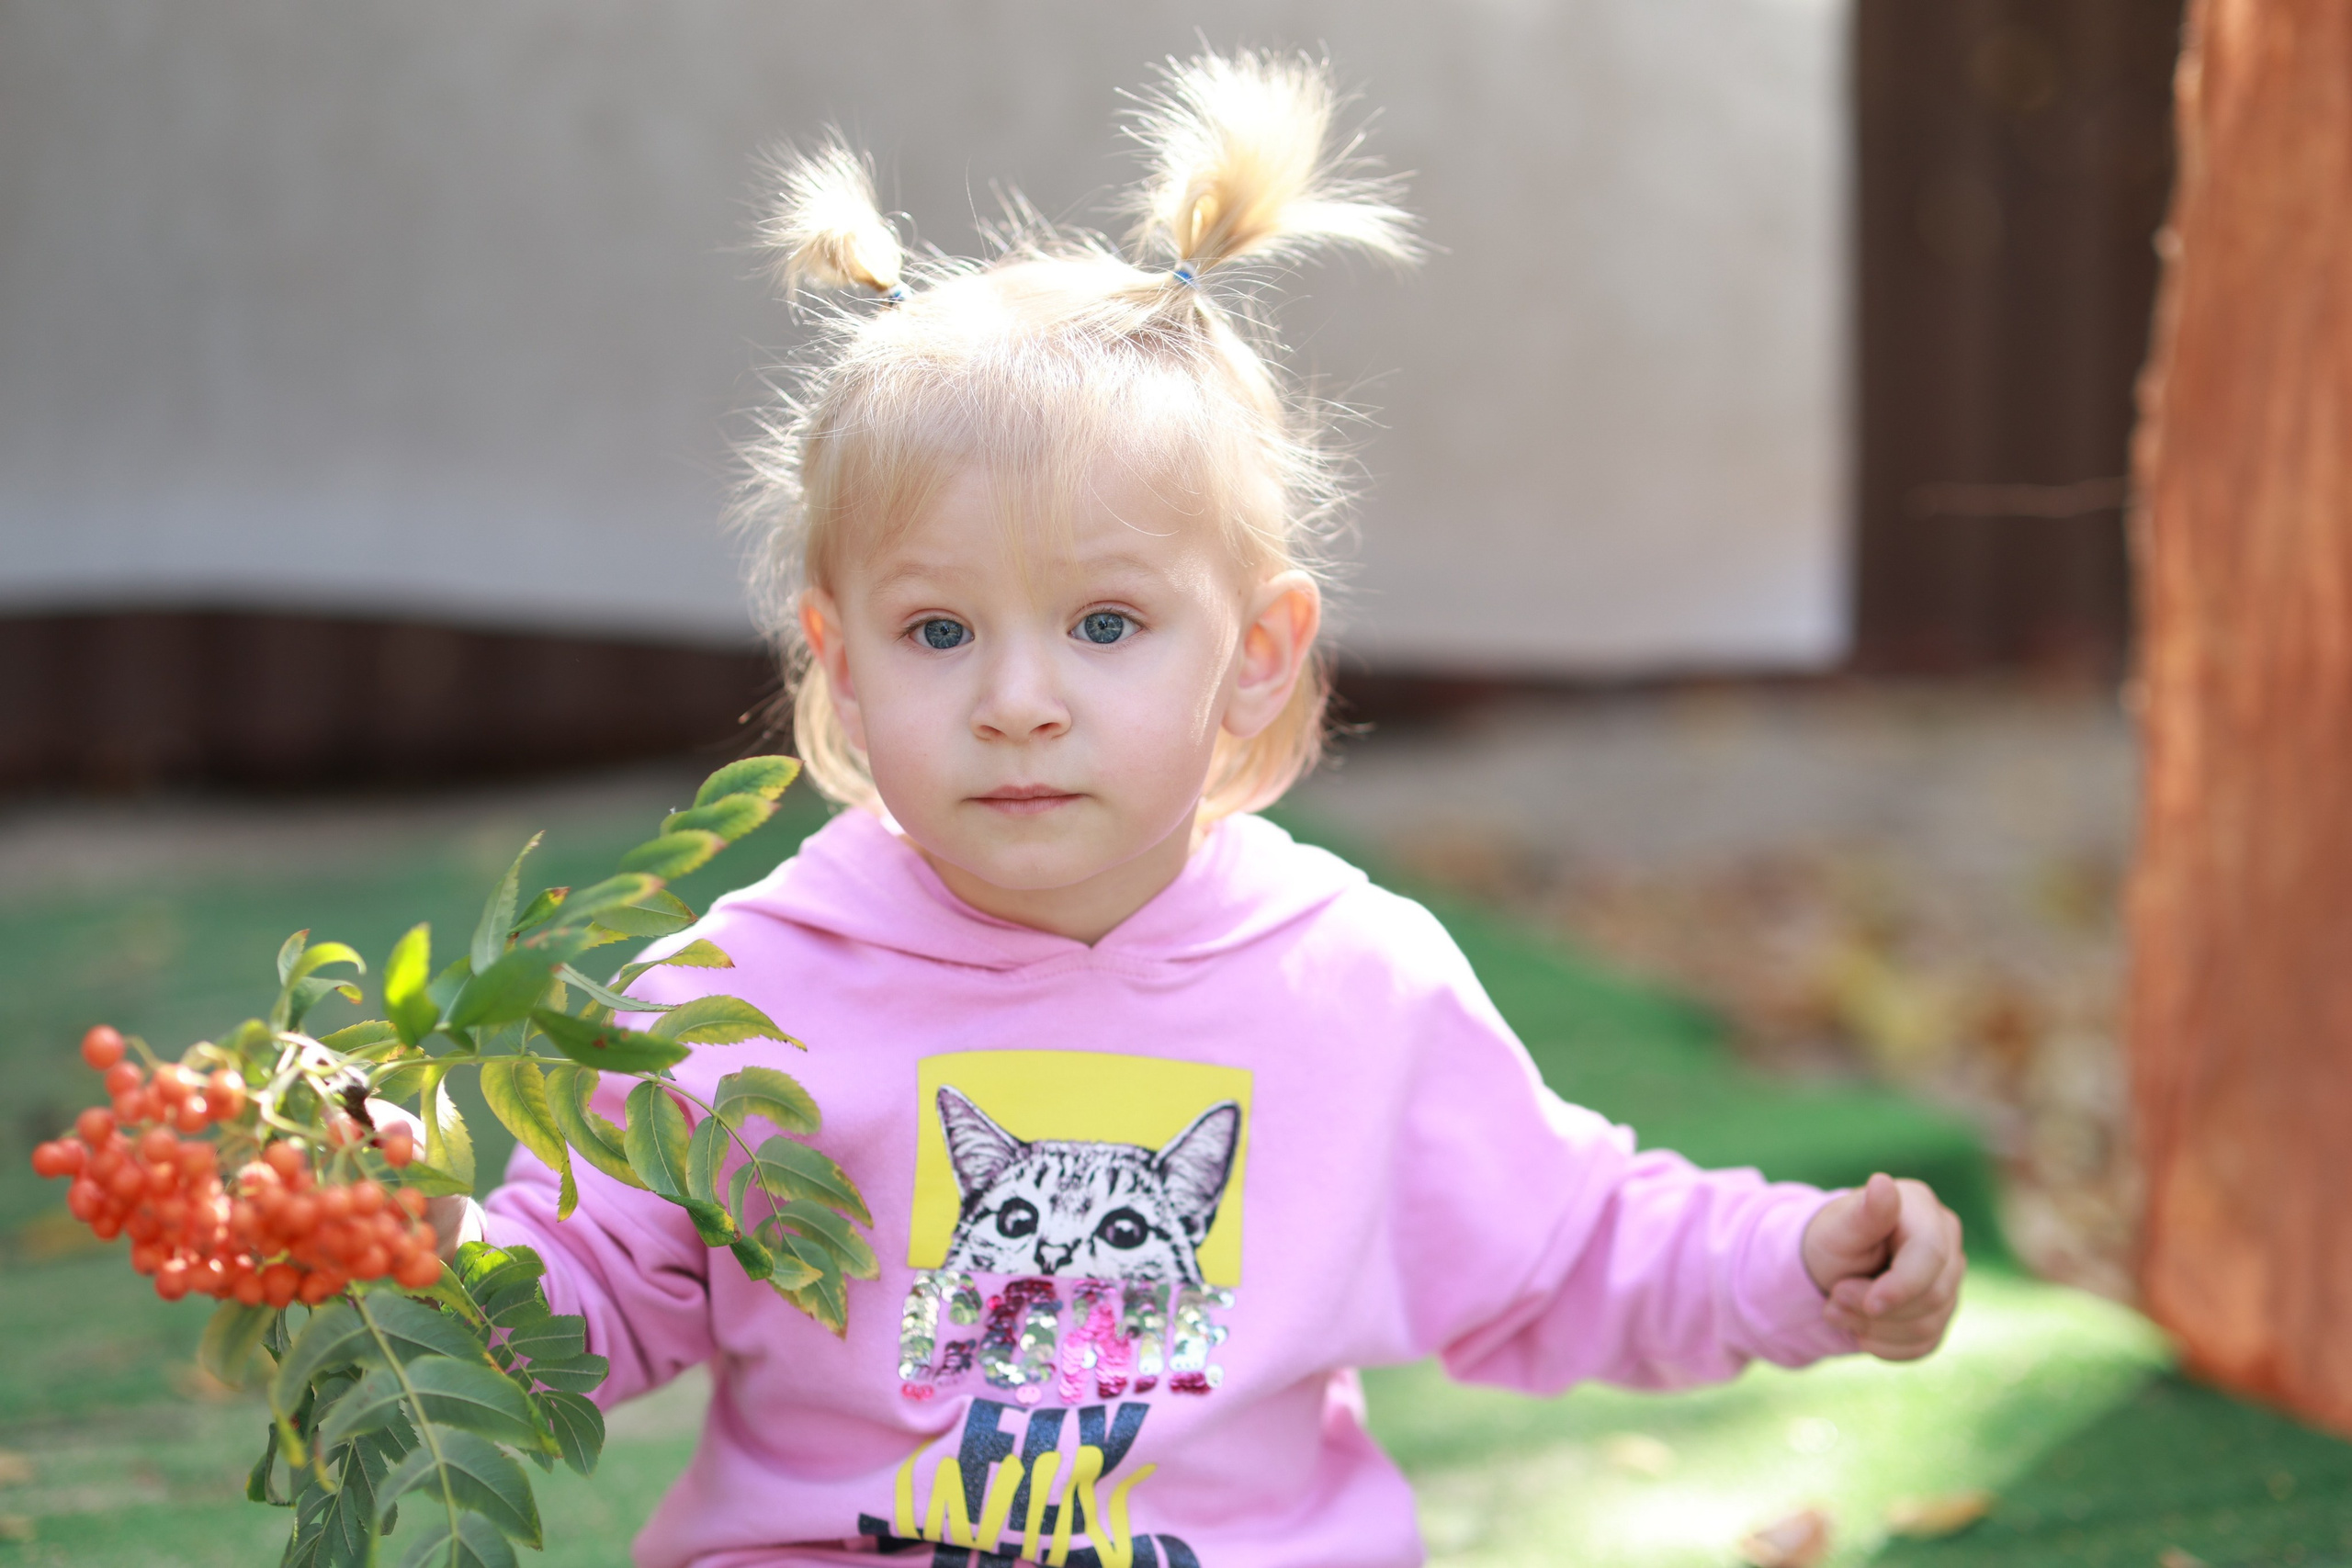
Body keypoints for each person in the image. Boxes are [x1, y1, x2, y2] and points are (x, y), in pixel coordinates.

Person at [458, 50, 1965, 1568]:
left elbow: (1564, 1246)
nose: (1018, 700)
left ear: (1255, 658)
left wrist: (1794, 1263)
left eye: (1106, 625)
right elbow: (595, 1279)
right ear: (840, 669)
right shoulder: (742, 995)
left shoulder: (1351, 983)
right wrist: (432, 1269)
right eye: (939, 632)